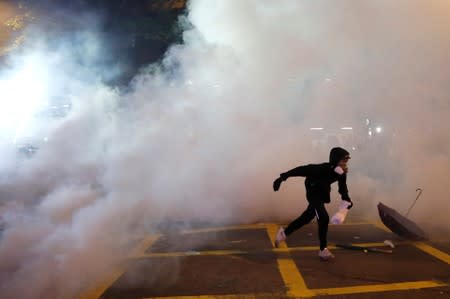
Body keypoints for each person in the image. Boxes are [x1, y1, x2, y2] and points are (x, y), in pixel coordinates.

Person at [272, 147, 353, 261]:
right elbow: (301, 170)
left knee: (306, 217)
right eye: (343, 161)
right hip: (313, 192)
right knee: (323, 217)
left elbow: (343, 188)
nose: (345, 164)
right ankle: (323, 250)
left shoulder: (341, 173)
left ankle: (284, 233)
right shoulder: (320, 169)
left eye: (346, 162)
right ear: (335, 160)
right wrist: (282, 178)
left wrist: (346, 199)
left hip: (322, 193)